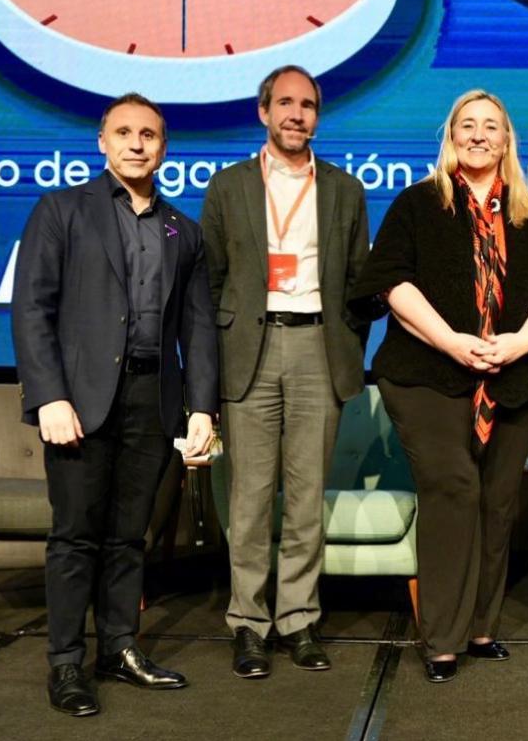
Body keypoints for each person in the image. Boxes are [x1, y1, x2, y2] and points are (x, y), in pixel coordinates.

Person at [349, 90, 528, 684]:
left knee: (497, 499)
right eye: (467, 125)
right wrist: (451, 342)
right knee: (454, 487)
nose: (479, 135)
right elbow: (391, 285)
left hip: (519, 376)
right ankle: (442, 637)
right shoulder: (418, 205)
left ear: (507, 139)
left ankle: (482, 627)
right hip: (425, 374)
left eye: (491, 126)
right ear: (451, 136)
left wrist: (519, 342)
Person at [12, 93, 218, 717]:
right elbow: (31, 309)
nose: (136, 143)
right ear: (102, 142)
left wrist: (202, 408)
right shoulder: (61, 210)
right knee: (76, 535)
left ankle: (120, 647)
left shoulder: (184, 231)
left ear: (164, 147)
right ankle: (66, 662)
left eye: (148, 134)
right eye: (123, 132)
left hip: (153, 400)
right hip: (79, 401)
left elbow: (198, 327)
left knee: (130, 536)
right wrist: (48, 396)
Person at [200, 65, 370, 679]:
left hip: (317, 349)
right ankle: (249, 623)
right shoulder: (228, 186)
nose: (297, 115)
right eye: (286, 103)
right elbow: (210, 279)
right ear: (264, 112)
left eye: (308, 105)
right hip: (250, 349)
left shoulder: (346, 189)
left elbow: (358, 283)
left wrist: (343, 342)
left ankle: (298, 619)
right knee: (248, 499)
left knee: (305, 498)